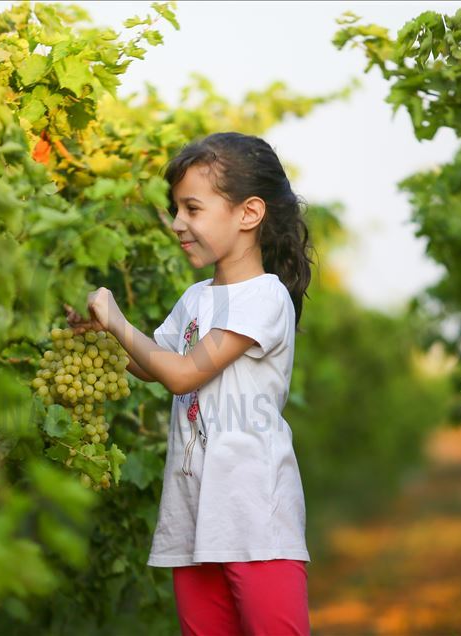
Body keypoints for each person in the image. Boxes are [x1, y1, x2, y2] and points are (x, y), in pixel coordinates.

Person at [67, 132, 315, 636]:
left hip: (254, 522)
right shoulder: (196, 296)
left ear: (248, 214)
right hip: (194, 518)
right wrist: (108, 335)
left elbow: (183, 373)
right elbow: (153, 363)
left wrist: (119, 322)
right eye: (176, 209)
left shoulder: (265, 297)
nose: (178, 223)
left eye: (192, 209)